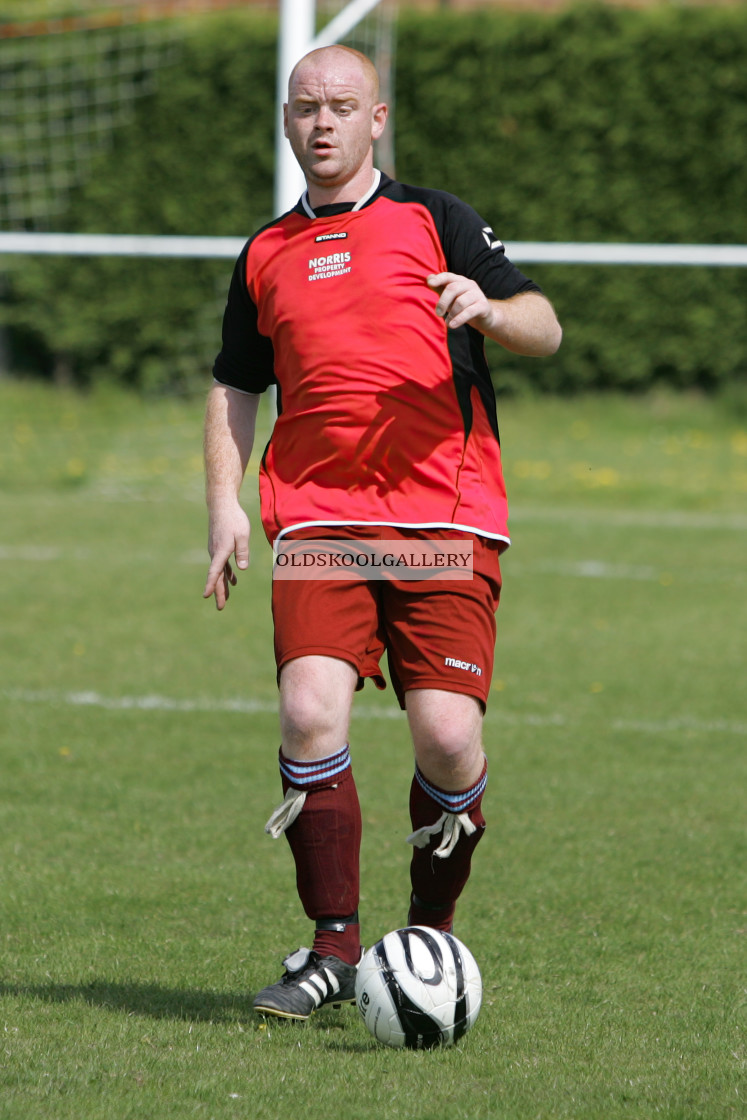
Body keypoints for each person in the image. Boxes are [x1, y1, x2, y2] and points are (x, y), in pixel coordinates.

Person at [203, 45, 561, 1021]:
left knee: (447, 739)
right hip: (318, 515)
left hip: (443, 518)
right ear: (288, 122)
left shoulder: (433, 219)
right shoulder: (266, 251)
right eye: (307, 107)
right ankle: (331, 950)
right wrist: (227, 502)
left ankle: (430, 936)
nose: (323, 122)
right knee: (311, 712)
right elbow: (237, 382)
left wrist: (486, 307)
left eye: (342, 106)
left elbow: (546, 325)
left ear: (378, 118)